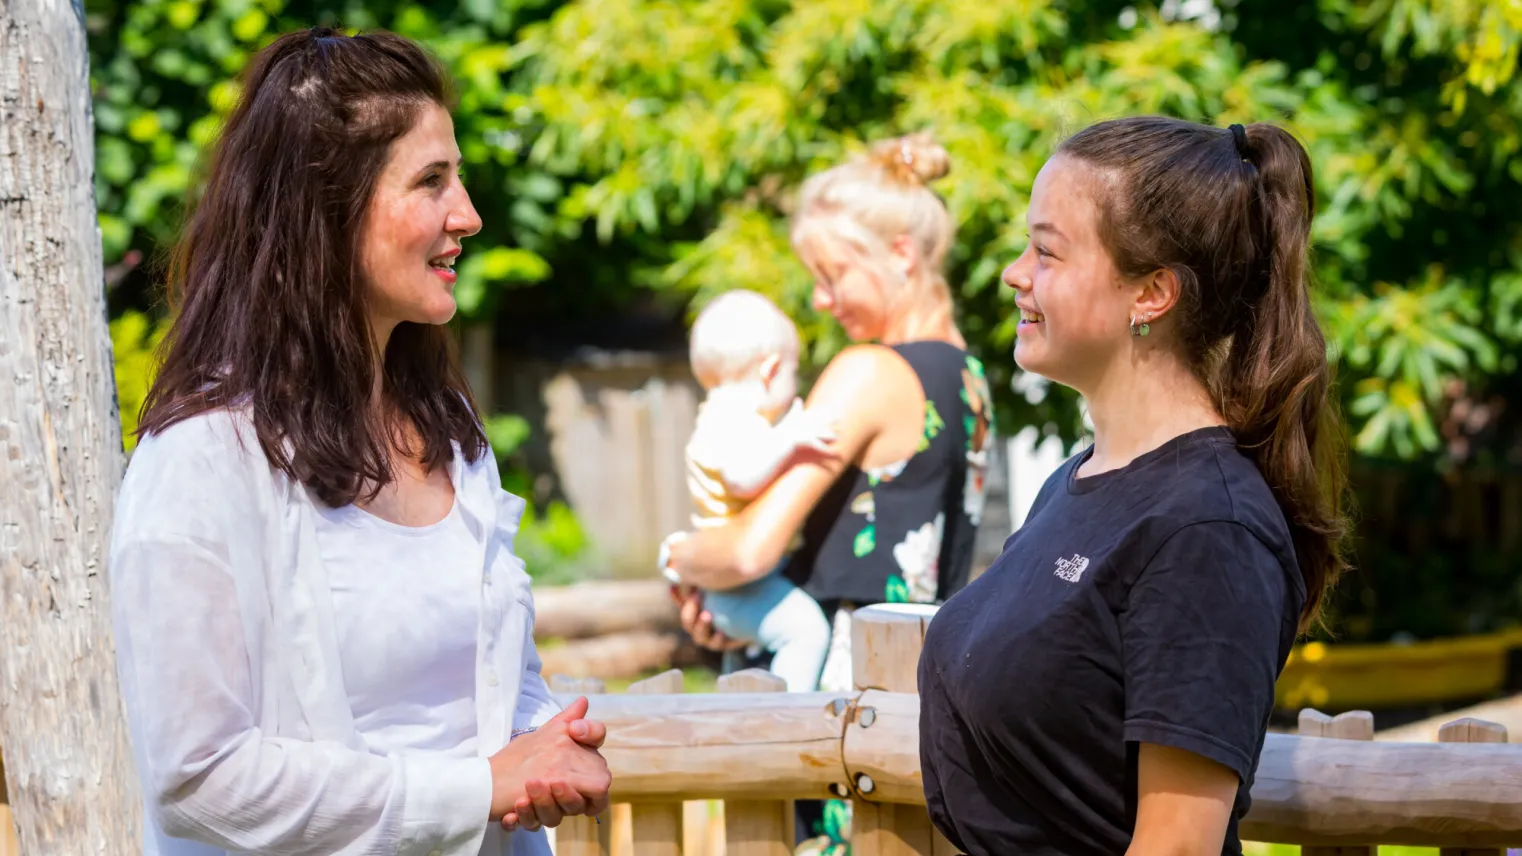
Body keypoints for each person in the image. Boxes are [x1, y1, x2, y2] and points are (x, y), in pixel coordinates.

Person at [108, 29, 609, 856]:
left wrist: (547, 746)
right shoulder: (201, 460)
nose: (469, 214)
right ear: (327, 211)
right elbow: (195, 778)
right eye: (431, 181)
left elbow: (494, 683)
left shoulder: (453, 433)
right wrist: (480, 787)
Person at [917, 117, 1350, 856]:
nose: (1015, 273)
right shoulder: (1076, 482)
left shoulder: (1210, 529)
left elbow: (1175, 847)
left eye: (1046, 251)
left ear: (1151, 293)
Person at [662, 133, 996, 843]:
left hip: (831, 709)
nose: (819, 299)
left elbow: (752, 550)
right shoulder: (971, 380)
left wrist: (682, 557)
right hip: (914, 697)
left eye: (832, 272)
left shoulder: (867, 372)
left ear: (899, 253)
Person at [660, 289, 835, 693]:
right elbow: (741, 476)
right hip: (736, 585)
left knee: (743, 666)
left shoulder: (724, 413)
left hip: (728, 586)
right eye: (794, 372)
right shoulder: (733, 419)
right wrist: (794, 436)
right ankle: (785, 716)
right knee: (806, 631)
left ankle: (746, 707)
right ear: (771, 370)